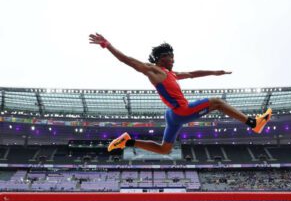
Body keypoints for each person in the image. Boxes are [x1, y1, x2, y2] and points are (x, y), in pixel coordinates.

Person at [89, 33, 272, 154]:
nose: (174, 60)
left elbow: (192, 74)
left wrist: (215, 72)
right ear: (162, 57)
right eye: (171, 57)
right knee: (217, 102)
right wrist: (108, 45)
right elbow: (128, 60)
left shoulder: (172, 74)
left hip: (172, 116)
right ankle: (253, 123)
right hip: (181, 111)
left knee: (164, 150)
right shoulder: (155, 70)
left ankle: (128, 142)